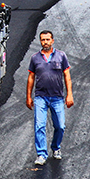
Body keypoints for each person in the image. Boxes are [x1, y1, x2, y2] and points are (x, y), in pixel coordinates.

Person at [25, 30, 73, 166]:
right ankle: (41, 154)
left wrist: (69, 95)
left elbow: (67, 76)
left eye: (47, 39)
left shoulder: (61, 56)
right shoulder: (35, 58)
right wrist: (28, 97)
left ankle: (56, 147)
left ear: (52, 41)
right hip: (41, 97)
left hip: (57, 97)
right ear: (40, 41)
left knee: (60, 126)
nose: (45, 42)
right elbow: (31, 78)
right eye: (43, 40)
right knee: (39, 126)